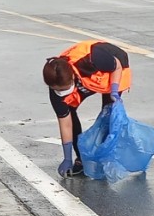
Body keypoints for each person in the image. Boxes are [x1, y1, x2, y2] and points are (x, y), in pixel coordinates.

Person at [42, 39, 132, 177]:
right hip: (84, 80)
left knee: (108, 113)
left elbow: (117, 66)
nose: (61, 93)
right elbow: (66, 124)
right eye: (58, 90)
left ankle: (104, 158)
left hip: (111, 71)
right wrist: (67, 158)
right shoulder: (56, 86)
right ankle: (81, 159)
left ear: (72, 77)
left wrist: (114, 90)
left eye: (65, 89)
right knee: (69, 111)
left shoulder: (92, 59)